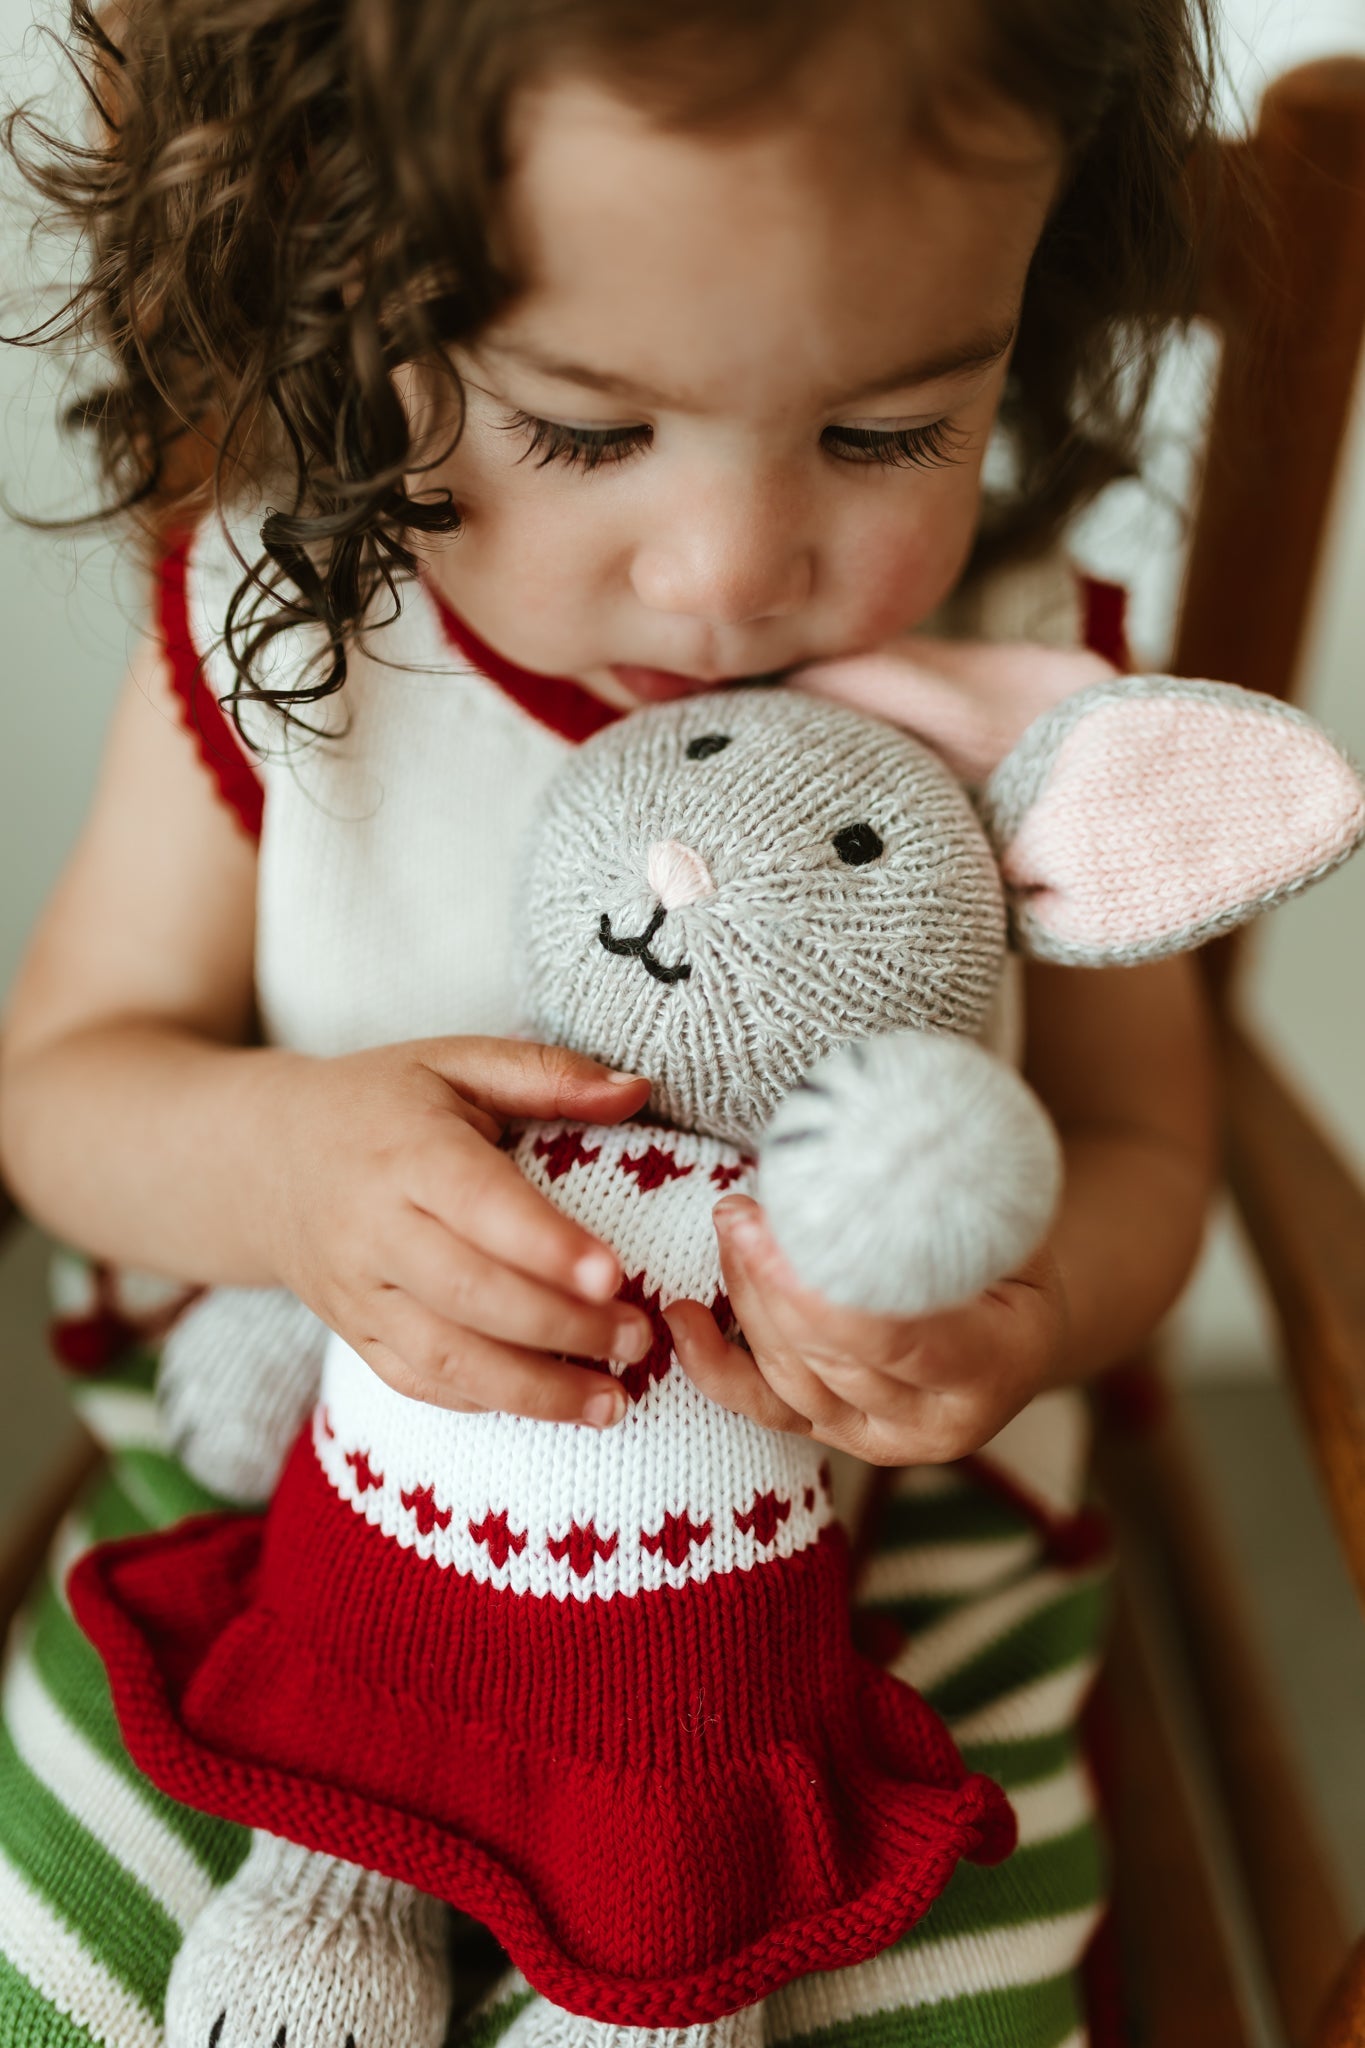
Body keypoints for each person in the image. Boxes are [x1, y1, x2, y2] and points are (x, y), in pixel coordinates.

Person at [0, 1, 1219, 2041]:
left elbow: (1143, 1154)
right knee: (89, 1983)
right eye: (583, 429)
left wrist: (1009, 1326)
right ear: (353, 292)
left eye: (882, 430)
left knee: (928, 2004)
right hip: (301, 1497)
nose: (732, 573)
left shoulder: (1039, 696)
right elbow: (63, 1091)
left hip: (866, 1547)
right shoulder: (290, 637)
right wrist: (292, 1173)